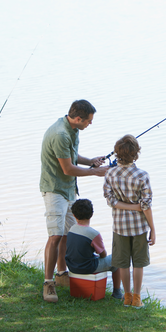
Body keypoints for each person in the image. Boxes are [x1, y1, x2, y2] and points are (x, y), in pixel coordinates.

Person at [39, 99, 109, 303]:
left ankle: (62, 274)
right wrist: (94, 172)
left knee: (67, 235)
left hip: (69, 189)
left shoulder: (72, 129)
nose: (90, 124)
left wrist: (90, 161)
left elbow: (71, 156)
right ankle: (48, 283)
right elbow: (67, 169)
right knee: (55, 236)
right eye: (88, 120)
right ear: (78, 118)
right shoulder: (60, 134)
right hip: (54, 189)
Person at [103, 134, 156, 309]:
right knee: (138, 264)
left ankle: (126, 297)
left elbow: (110, 200)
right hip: (139, 227)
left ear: (117, 153)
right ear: (136, 154)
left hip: (119, 227)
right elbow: (146, 206)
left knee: (123, 264)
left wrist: (127, 207)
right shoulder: (142, 175)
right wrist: (153, 229)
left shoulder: (110, 173)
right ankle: (137, 298)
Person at [65, 198, 123, 300]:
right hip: (86, 267)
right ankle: (117, 292)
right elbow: (103, 255)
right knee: (117, 260)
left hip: (72, 266)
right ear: (91, 214)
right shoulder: (93, 234)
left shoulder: (71, 229)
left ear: (74, 215)